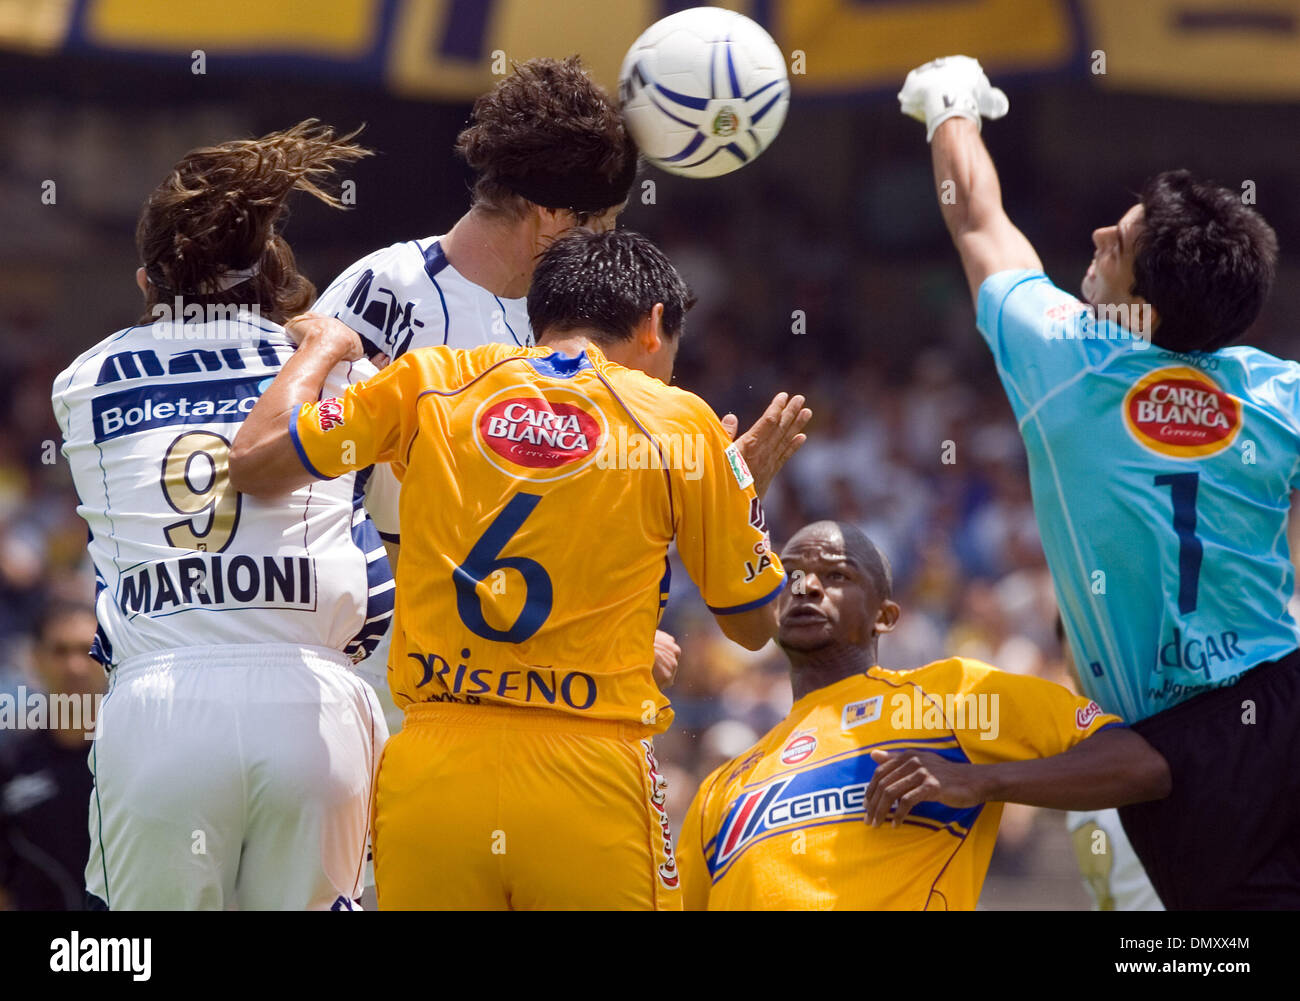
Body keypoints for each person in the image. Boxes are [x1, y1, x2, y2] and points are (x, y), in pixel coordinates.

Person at [231, 229, 811, 909]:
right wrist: (737, 484)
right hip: (587, 774)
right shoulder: (681, 423)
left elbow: (259, 457)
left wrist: (322, 345)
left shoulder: (431, 380)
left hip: (434, 771)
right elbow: (749, 624)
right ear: (656, 326)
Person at [901, 55, 1295, 908]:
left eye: (1117, 244)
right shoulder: (1278, 393)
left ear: (1139, 305)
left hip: (1185, 743)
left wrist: (950, 108)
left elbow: (977, 218)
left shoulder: (1064, 356)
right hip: (1271, 700)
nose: (1097, 239)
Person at [312, 56, 794, 727]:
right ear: (549, 217)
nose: (607, 243)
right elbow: (310, 479)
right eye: (603, 222)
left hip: (516, 687)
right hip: (383, 676)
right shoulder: (385, 295)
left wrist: (721, 479)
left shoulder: (568, 323)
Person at [51, 121, 392, 910]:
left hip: (163, 707)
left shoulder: (83, 383)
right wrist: (318, 340)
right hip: (315, 708)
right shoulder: (345, 374)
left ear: (145, 284)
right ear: (276, 281)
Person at [677, 521, 1170, 910]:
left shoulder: (951, 696)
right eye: (790, 575)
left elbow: (1139, 765)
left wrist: (982, 781)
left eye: (837, 576)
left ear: (885, 617)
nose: (806, 587)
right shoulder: (722, 788)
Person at [0, 603, 104, 910]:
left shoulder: (142, 754)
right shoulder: (11, 765)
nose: (74, 667)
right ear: (36, 660)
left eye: (87, 651)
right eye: (60, 651)